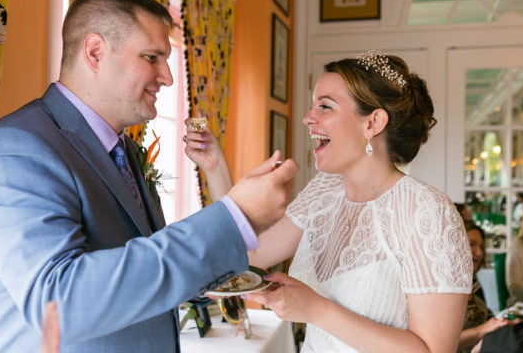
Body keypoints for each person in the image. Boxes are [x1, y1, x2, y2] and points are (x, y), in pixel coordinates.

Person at [0, 0, 299, 352]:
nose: (168, 77)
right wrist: (235, 218)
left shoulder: (125, 151)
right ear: (95, 52)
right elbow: (58, 304)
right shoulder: (16, 150)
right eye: (152, 57)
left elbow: (138, 275)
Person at [185, 52, 473, 352]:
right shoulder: (324, 191)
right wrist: (216, 167)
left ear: (373, 122)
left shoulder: (427, 211)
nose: (308, 118)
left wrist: (316, 310)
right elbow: (248, 254)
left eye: (325, 106)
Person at [458, 220, 515, 352]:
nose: (479, 252)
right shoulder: (443, 289)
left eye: (482, 247)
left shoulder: (472, 280)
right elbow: (442, 344)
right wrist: (480, 331)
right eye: (472, 244)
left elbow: (486, 317)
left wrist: (504, 324)